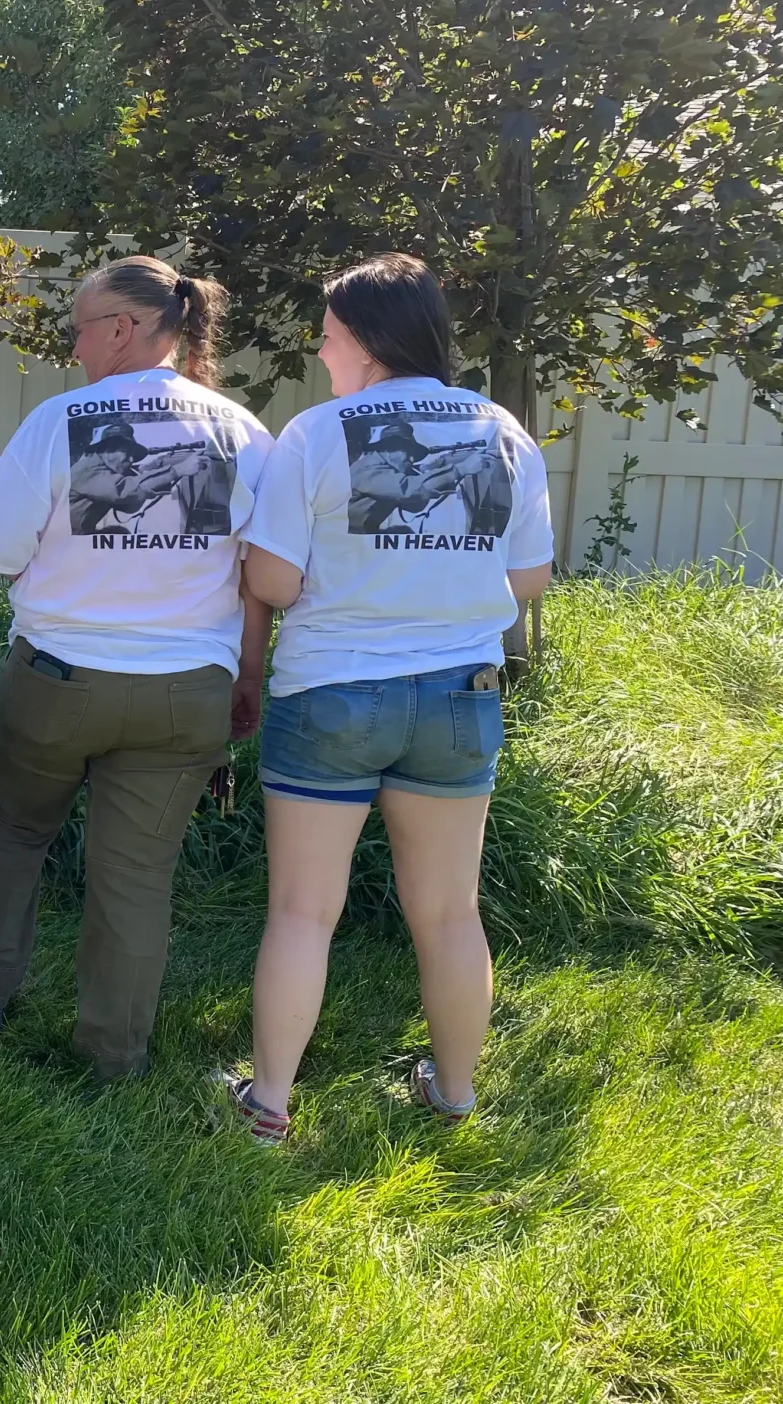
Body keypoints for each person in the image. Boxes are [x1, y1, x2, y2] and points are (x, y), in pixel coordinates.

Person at [230, 253, 554, 1143]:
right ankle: (452, 1095)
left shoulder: (316, 434)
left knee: (303, 909)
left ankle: (269, 1107)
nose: (322, 352)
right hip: (459, 699)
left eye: (330, 337)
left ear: (368, 343)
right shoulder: (503, 432)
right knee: (450, 912)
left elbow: (278, 582)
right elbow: (529, 578)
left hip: (331, 694)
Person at [0, 255, 274, 1082]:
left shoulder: (60, 421)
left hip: (56, 680)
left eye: (80, 327)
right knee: (134, 877)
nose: (74, 345)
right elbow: (264, 577)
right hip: (184, 696)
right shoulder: (243, 432)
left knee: (14, 833)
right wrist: (248, 677)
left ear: (125, 329)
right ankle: (112, 1058)